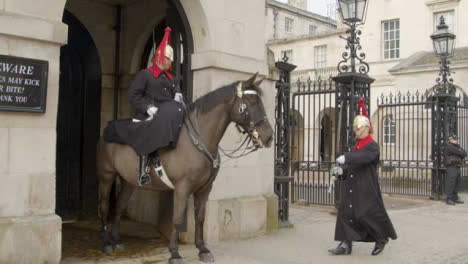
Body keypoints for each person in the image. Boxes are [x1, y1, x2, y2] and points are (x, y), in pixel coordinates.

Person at [115, 27, 185, 186]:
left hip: (169, 115)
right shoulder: (145, 74)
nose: (166, 61)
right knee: (152, 128)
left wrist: (178, 97)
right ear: (158, 57)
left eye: (169, 59)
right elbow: (133, 96)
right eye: (164, 57)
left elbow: (178, 94)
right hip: (150, 114)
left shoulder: (172, 79)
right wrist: (147, 107)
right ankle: (143, 171)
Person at [329, 98, 397, 256]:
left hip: (366, 187)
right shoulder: (356, 145)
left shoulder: (372, 146)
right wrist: (342, 172)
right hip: (352, 185)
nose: (356, 131)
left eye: (358, 128)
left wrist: (346, 157)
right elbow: (353, 165)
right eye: (355, 128)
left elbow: (364, 158)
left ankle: (381, 238)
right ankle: (345, 244)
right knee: (345, 214)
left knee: (365, 215)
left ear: (366, 128)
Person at [444, 134, 466, 205]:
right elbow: (459, 152)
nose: (456, 140)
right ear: (450, 140)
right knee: (451, 183)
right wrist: (460, 152)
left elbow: (464, 154)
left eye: (456, 139)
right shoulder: (449, 147)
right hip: (451, 167)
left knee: (457, 183)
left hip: (457, 166)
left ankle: (455, 198)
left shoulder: (457, 147)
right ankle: (449, 199)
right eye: (454, 139)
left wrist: (460, 152)